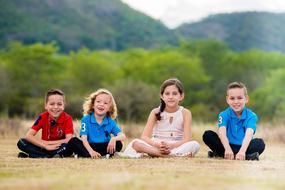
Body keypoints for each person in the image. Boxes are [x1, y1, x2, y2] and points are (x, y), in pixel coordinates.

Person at [122, 78, 200, 158]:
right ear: (162, 96)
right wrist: (157, 145)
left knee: (195, 145)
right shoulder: (155, 112)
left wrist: (171, 146)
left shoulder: (185, 113)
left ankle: (158, 154)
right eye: (167, 94)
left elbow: (187, 139)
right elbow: (144, 136)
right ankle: (174, 156)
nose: (170, 97)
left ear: (181, 96)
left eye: (174, 94)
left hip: (176, 145)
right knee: (135, 143)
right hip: (157, 145)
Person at [203, 82, 265, 161]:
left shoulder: (251, 116)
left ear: (246, 99)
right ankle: (248, 156)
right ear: (227, 99)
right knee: (208, 135)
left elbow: (248, 135)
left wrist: (242, 151)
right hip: (226, 146)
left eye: (240, 98)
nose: (236, 102)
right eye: (232, 98)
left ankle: (220, 155)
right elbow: (222, 134)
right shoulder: (223, 114)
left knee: (260, 143)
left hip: (244, 147)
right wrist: (228, 149)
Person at [68, 89, 126, 158]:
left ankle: (87, 155)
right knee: (73, 141)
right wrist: (91, 151)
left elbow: (123, 136)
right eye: (98, 101)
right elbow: (84, 138)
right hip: (89, 146)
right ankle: (96, 155)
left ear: (109, 108)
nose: (101, 104)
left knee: (119, 144)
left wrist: (114, 139)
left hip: (103, 146)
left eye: (105, 103)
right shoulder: (86, 119)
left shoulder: (110, 121)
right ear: (93, 105)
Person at [17, 89, 74, 158]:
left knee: (67, 147)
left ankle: (34, 155)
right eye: (52, 104)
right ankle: (48, 156)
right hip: (43, 147)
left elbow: (68, 140)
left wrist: (48, 143)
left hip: (59, 147)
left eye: (59, 104)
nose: (55, 107)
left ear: (63, 106)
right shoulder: (42, 116)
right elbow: (28, 136)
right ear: (46, 106)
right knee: (21, 142)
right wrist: (45, 146)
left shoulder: (68, 118)